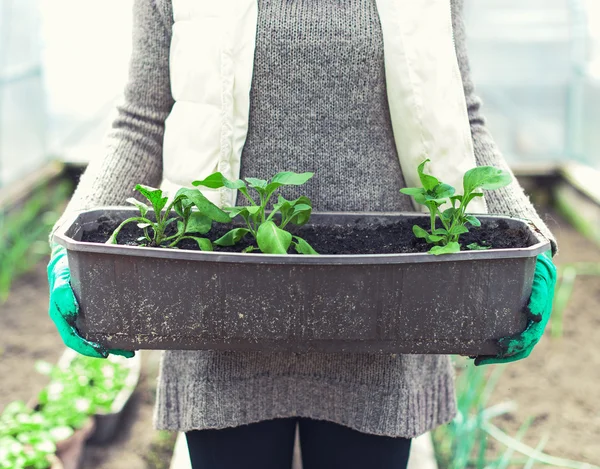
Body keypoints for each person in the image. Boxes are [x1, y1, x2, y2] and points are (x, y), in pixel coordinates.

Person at [47, 0, 557, 468]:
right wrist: (68, 245)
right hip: (223, 305)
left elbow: (463, 119)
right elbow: (141, 120)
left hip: (385, 308)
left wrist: (533, 244)